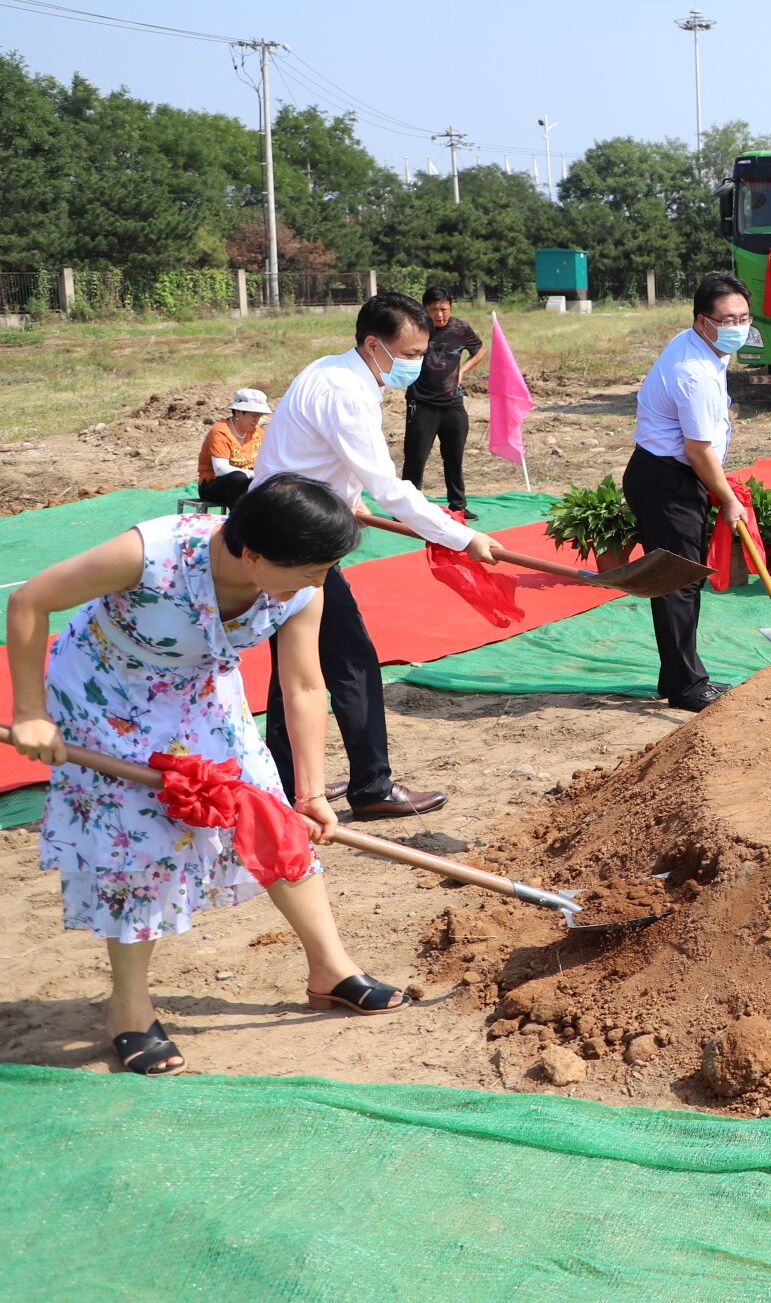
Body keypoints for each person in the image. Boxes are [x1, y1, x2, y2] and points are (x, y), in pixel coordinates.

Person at [6, 475, 414, 1075]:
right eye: (309, 570)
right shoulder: (151, 554)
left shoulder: (305, 584)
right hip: (107, 694)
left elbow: (303, 684)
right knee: (140, 840)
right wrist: (30, 713)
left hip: (199, 690)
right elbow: (30, 601)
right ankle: (128, 1009)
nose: (317, 582)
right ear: (251, 554)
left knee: (270, 814)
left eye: (325, 569)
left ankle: (331, 969)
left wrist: (308, 791)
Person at [253, 293, 503, 819]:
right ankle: (370, 787)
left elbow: (319, 457)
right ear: (374, 345)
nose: (418, 364)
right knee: (351, 660)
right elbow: (391, 488)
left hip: (290, 525)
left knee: (294, 663)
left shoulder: (333, 371)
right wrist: (461, 537)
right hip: (296, 540)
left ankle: (284, 782)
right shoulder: (345, 392)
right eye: (409, 354)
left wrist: (348, 499)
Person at [624, 275, 753, 712]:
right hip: (666, 481)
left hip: (675, 475)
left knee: (684, 579)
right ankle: (686, 687)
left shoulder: (701, 347)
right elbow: (698, 450)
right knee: (677, 582)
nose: (738, 327)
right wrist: (728, 498)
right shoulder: (693, 373)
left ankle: (680, 676)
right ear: (703, 322)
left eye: (744, 318)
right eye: (728, 320)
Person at [400, 287, 485, 517]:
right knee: (416, 458)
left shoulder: (460, 329)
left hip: (453, 404)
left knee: (454, 457)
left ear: (450, 307)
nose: (439, 315)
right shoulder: (416, 329)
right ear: (425, 309)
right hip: (421, 403)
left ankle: (458, 505)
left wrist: (463, 370)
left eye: (444, 309)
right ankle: (406, 509)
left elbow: (479, 350)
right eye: (434, 309)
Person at [195, 388, 271, 509]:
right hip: (215, 485)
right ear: (239, 412)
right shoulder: (220, 431)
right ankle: (239, 517)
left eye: (259, 416)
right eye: (253, 415)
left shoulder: (258, 433)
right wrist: (251, 474)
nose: (256, 420)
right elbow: (220, 469)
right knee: (238, 478)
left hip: (247, 483)